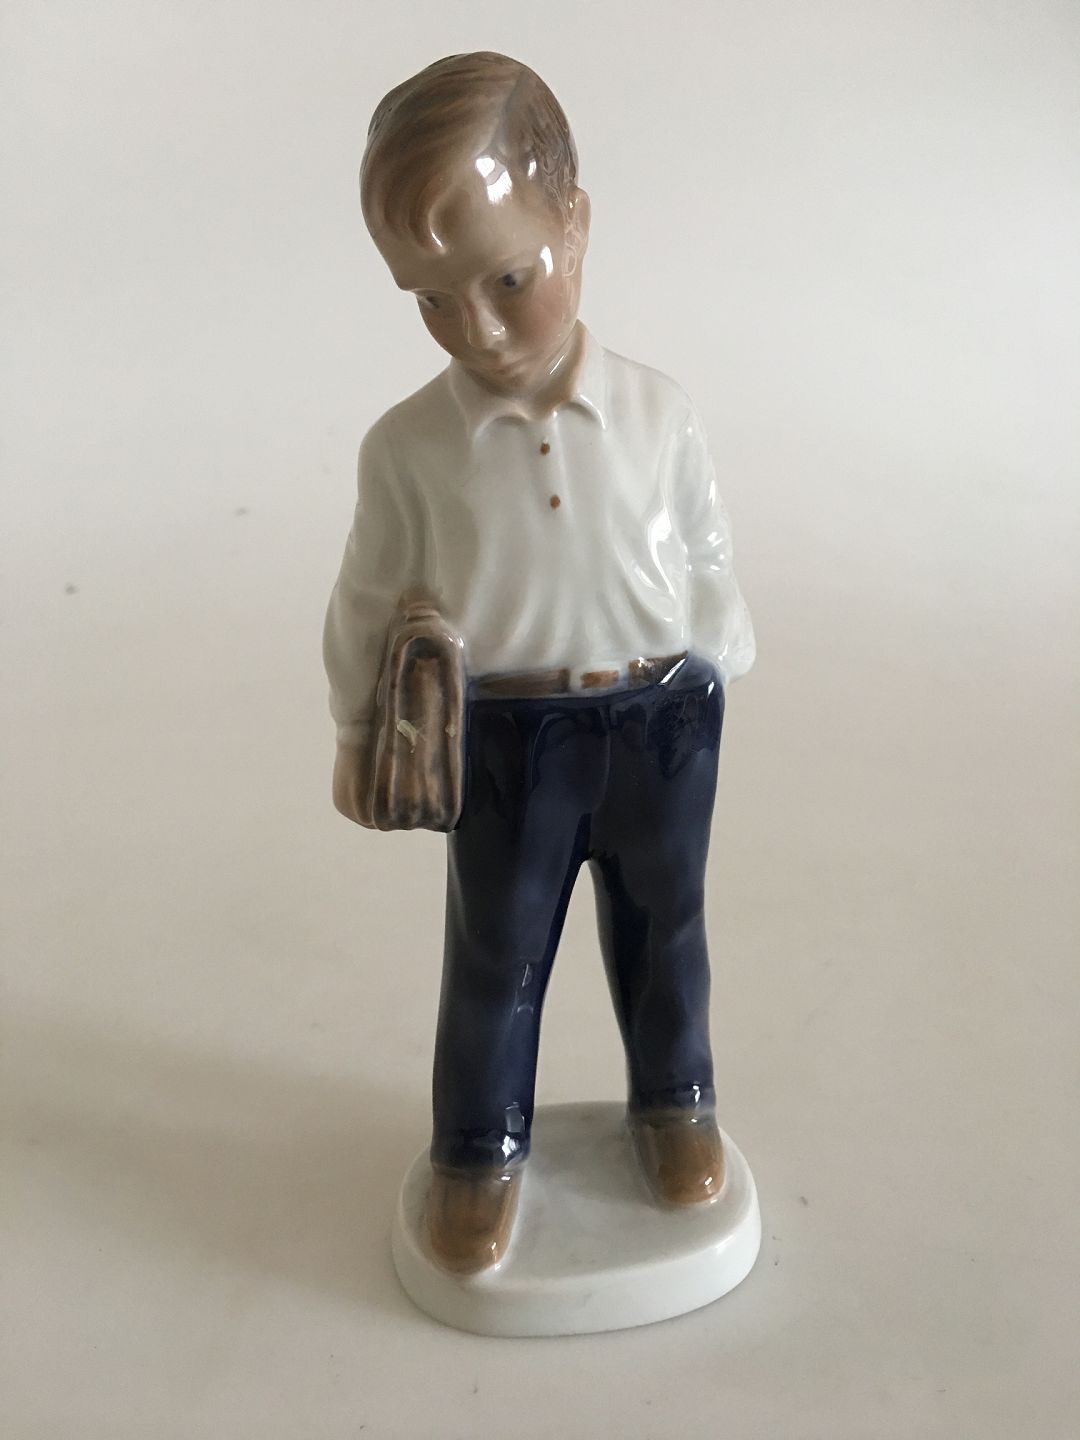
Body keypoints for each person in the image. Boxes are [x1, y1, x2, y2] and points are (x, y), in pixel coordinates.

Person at [324, 52, 755, 1275]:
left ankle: (676, 1103)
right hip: (508, 736)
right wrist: (357, 726)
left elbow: (705, 541)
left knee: (667, 928)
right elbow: (365, 595)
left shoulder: (661, 414)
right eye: (432, 299)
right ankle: (477, 1148)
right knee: (496, 949)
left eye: (509, 279)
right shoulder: (408, 449)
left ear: (575, 224)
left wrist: (713, 645)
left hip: (661, 716)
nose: (479, 328)